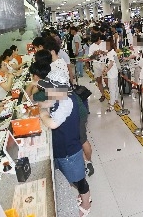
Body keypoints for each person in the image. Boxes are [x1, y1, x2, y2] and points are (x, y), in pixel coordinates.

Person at [38, 70, 91, 216]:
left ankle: (87, 204)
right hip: (62, 147)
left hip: (70, 149)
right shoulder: (60, 96)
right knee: (69, 177)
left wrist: (43, 114)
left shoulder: (66, 102)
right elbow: (47, 102)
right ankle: (82, 196)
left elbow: (53, 123)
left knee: (79, 181)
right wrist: (42, 105)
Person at [88, 32, 107, 102]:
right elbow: (90, 57)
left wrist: (103, 52)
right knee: (99, 80)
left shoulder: (105, 44)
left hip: (105, 63)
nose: (96, 43)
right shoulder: (92, 46)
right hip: (96, 64)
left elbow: (110, 53)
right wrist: (94, 54)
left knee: (106, 80)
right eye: (94, 42)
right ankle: (103, 94)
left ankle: (111, 94)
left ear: (99, 38)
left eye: (97, 41)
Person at [102, 38, 119, 112]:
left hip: (112, 74)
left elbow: (111, 64)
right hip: (113, 73)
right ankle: (115, 99)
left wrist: (106, 71)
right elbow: (109, 63)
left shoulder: (112, 53)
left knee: (112, 88)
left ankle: (111, 105)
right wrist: (105, 69)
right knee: (115, 87)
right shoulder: (111, 52)